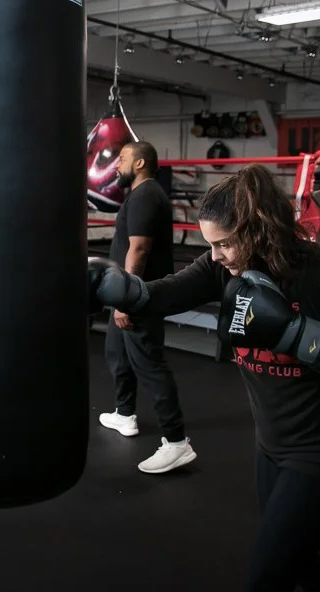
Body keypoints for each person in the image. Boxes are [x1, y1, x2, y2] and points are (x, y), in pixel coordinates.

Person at [88, 164, 320, 591]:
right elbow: (168, 291)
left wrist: (289, 331)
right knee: (296, 560)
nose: (216, 255)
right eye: (211, 245)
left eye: (224, 243)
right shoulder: (224, 268)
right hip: (272, 449)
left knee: (267, 576)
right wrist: (125, 290)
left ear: (259, 230)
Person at [97, 140, 197, 474]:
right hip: (127, 297)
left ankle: (176, 442)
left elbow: (138, 250)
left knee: (150, 365)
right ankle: (125, 414)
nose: (116, 166)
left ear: (140, 163)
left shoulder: (145, 197)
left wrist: (125, 298)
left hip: (138, 298)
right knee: (117, 352)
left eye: (122, 159)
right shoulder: (142, 195)